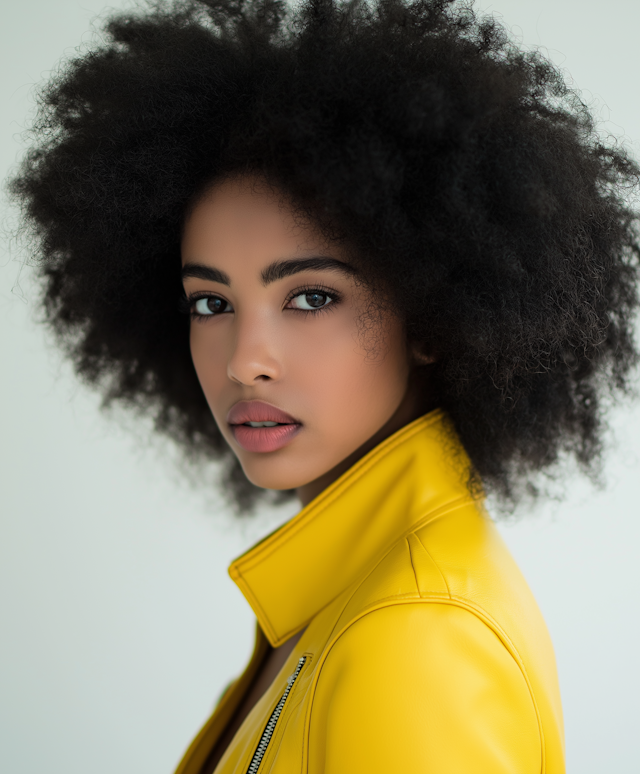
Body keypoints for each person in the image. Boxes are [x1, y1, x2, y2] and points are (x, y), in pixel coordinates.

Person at [8, 0, 640, 771]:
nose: (246, 361)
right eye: (212, 303)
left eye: (311, 296)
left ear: (433, 317)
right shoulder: (339, 601)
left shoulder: (414, 638)